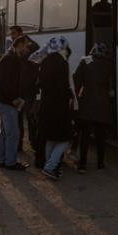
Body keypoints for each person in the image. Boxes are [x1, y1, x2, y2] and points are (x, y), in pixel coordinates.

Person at [34, 37, 73, 180]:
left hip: (46, 105)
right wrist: (69, 94)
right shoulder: (62, 63)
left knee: (50, 138)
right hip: (58, 106)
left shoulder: (45, 60)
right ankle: (50, 167)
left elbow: (39, 83)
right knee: (65, 139)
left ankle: (47, 165)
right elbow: (62, 86)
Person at [73, 43, 113, 173]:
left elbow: (76, 78)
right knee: (100, 136)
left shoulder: (85, 61)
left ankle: (83, 165)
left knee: (85, 136)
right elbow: (111, 84)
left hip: (87, 104)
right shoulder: (108, 64)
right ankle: (100, 163)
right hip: (102, 104)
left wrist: (78, 95)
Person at [0, 37, 30, 170]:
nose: (27, 49)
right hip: (7, 103)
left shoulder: (10, 58)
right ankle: (11, 162)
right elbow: (6, 83)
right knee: (13, 133)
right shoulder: (10, 59)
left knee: (5, 133)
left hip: (3, 101)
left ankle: (2, 160)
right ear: (19, 45)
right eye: (26, 46)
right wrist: (15, 98)